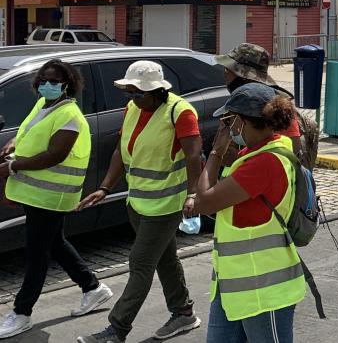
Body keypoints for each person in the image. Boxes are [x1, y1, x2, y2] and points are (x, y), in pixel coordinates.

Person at [76, 61, 203, 343]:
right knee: (166, 259)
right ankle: (183, 313)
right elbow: (122, 151)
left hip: (167, 203)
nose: (133, 99)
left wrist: (193, 195)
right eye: (129, 93)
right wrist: (105, 188)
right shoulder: (133, 108)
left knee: (141, 262)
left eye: (138, 94)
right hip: (138, 202)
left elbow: (194, 156)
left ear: (157, 91)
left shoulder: (180, 112)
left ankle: (117, 329)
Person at [0, 60, 110, 339]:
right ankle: (93, 288)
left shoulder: (70, 115)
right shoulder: (44, 105)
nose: (48, 85)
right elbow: (28, 132)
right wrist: (12, 144)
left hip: (51, 195)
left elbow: (55, 155)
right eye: (44, 80)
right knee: (55, 243)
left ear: (67, 84)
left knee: (37, 254)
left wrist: (12, 167)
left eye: (55, 81)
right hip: (35, 192)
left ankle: (22, 313)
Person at [191, 83, 305, 342]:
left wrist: (217, 152)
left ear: (241, 122)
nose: (226, 128)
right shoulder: (258, 152)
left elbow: (205, 202)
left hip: (264, 290)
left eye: (228, 121)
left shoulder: (265, 162)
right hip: (234, 283)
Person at [216, 44, 313, 167]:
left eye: (229, 69)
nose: (225, 72)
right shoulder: (241, 99)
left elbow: (290, 154)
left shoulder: (276, 103)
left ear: (244, 76)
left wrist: (236, 157)